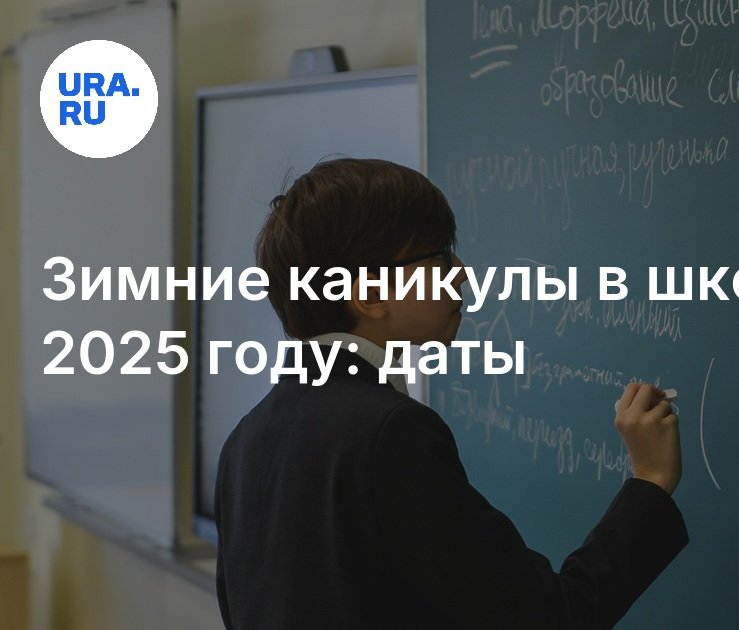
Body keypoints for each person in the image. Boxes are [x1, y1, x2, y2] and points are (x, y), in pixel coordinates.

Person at [214, 158, 688, 629]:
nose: (460, 273)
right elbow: (551, 619)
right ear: (369, 295)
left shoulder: (245, 440)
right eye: (439, 255)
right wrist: (649, 481)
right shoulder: (388, 434)